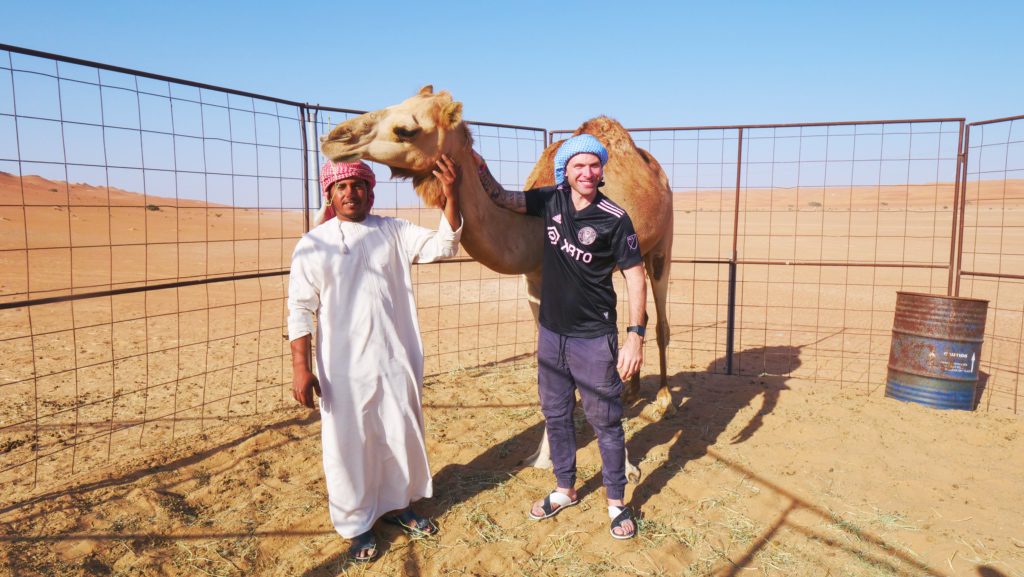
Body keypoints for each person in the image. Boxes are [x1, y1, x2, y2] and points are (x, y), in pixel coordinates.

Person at [287, 156, 462, 562]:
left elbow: (444, 245)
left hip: (395, 358)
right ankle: (357, 525)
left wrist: (450, 196)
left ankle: (400, 507)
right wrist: (301, 367)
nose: (351, 193)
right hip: (342, 369)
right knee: (349, 443)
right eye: (342, 187)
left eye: (358, 185)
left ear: (370, 191)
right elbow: (298, 308)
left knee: (397, 431)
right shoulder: (314, 243)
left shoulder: (392, 230)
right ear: (330, 194)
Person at [474, 134, 646, 539]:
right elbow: (503, 198)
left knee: (605, 419)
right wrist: (473, 161)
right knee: (555, 414)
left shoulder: (614, 217)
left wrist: (635, 336)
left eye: (593, 165)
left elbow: (636, 278)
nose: (587, 173)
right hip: (551, 334)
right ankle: (564, 487)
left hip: (593, 335)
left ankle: (616, 502)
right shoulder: (550, 199)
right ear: (565, 173)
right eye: (578, 166)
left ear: (601, 170)